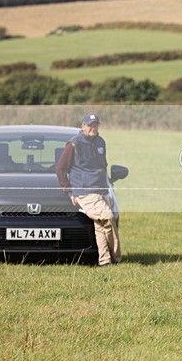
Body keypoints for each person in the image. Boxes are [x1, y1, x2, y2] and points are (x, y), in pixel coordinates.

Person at [56, 114, 121, 267]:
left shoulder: (100, 141)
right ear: (83, 126)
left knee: (100, 226)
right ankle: (117, 256)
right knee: (108, 217)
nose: (93, 128)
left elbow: (103, 166)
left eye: (95, 125)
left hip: (102, 189)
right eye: (90, 125)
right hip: (85, 191)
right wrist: (69, 191)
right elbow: (60, 169)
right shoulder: (73, 144)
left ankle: (104, 260)